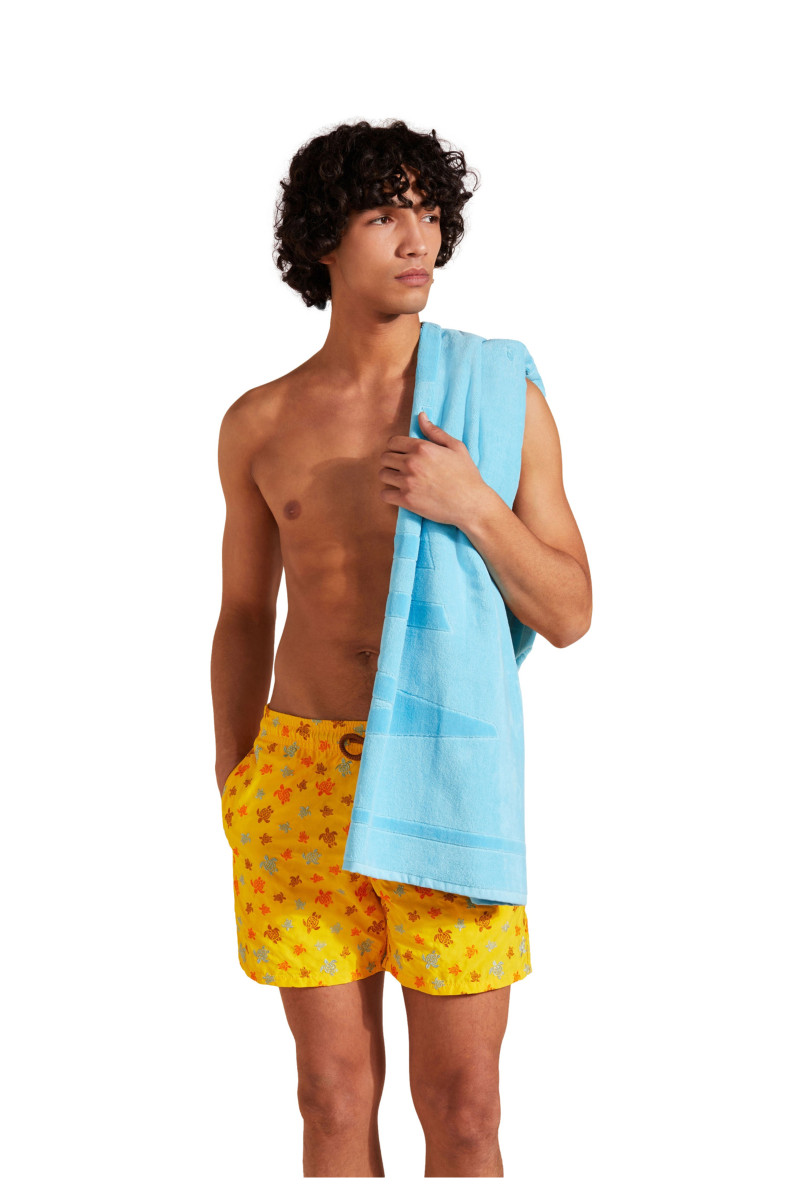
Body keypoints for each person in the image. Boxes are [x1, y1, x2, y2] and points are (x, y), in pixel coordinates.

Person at [210, 119, 592, 1178]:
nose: (417, 238)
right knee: (330, 1098)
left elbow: (569, 610)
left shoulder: (498, 395)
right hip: (296, 779)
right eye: (384, 214)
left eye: (427, 213)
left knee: (463, 1110)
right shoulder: (259, 423)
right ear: (321, 240)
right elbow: (242, 612)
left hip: (446, 770)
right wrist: (234, 772)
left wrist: (472, 505)